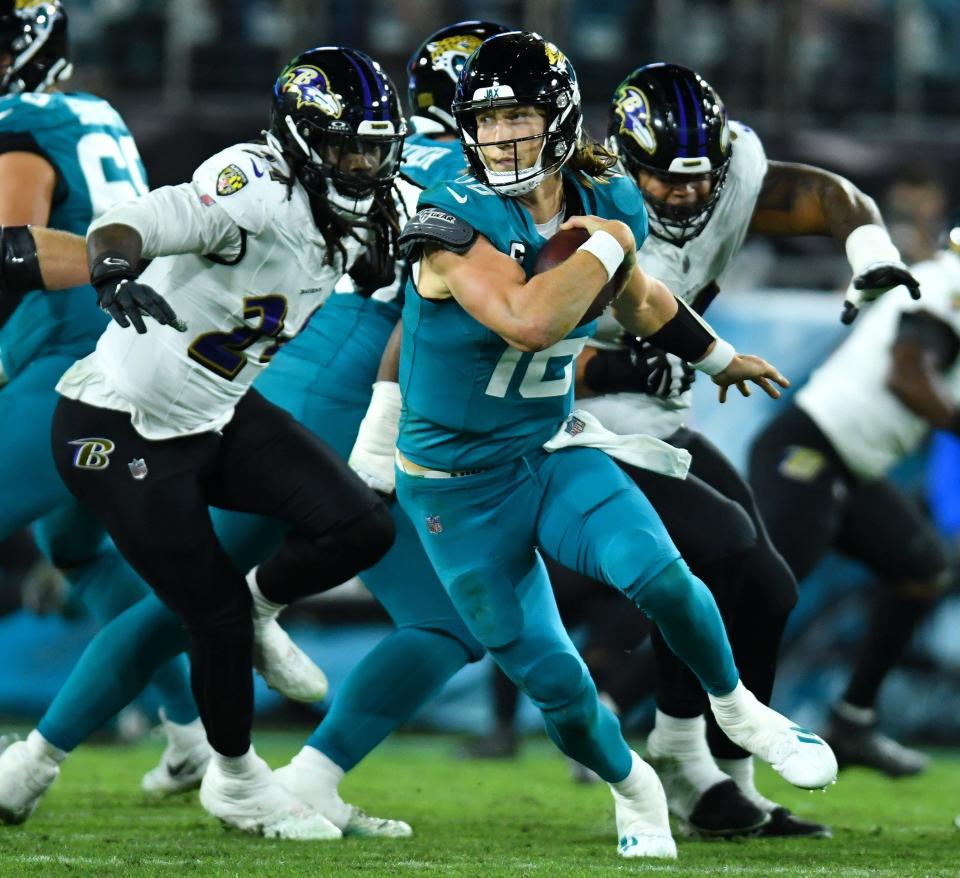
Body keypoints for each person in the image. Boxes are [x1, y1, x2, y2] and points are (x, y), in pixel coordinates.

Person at [0, 23, 500, 838]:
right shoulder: (250, 184)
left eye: (376, 151)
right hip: (120, 424)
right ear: (303, 143)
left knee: (357, 528)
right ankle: (234, 779)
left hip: (218, 413)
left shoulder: (384, 201)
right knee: (210, 620)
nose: (364, 168)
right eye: (346, 152)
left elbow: (417, 249)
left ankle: (259, 606)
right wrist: (114, 263)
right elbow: (140, 220)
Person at [386, 31, 836, 859]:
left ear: (557, 117)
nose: (501, 139)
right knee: (558, 692)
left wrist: (714, 356)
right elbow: (529, 322)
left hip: (549, 450)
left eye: (519, 116)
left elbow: (639, 300)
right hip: (454, 487)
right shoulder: (448, 208)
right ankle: (636, 787)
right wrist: (606, 243)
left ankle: (737, 710)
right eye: (486, 122)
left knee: (661, 573)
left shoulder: (607, 196)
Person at [0, 0, 200, 803]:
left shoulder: (19, 120)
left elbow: (12, 251)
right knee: (80, 551)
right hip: (121, 355)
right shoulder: (94, 111)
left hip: (69, 365)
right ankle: (196, 739)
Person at [748, 218, 960, 779]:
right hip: (809, 446)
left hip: (850, 466)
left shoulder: (941, 277)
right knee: (767, 589)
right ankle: (642, 705)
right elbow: (908, 375)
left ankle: (853, 718)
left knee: (921, 570)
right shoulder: (949, 288)